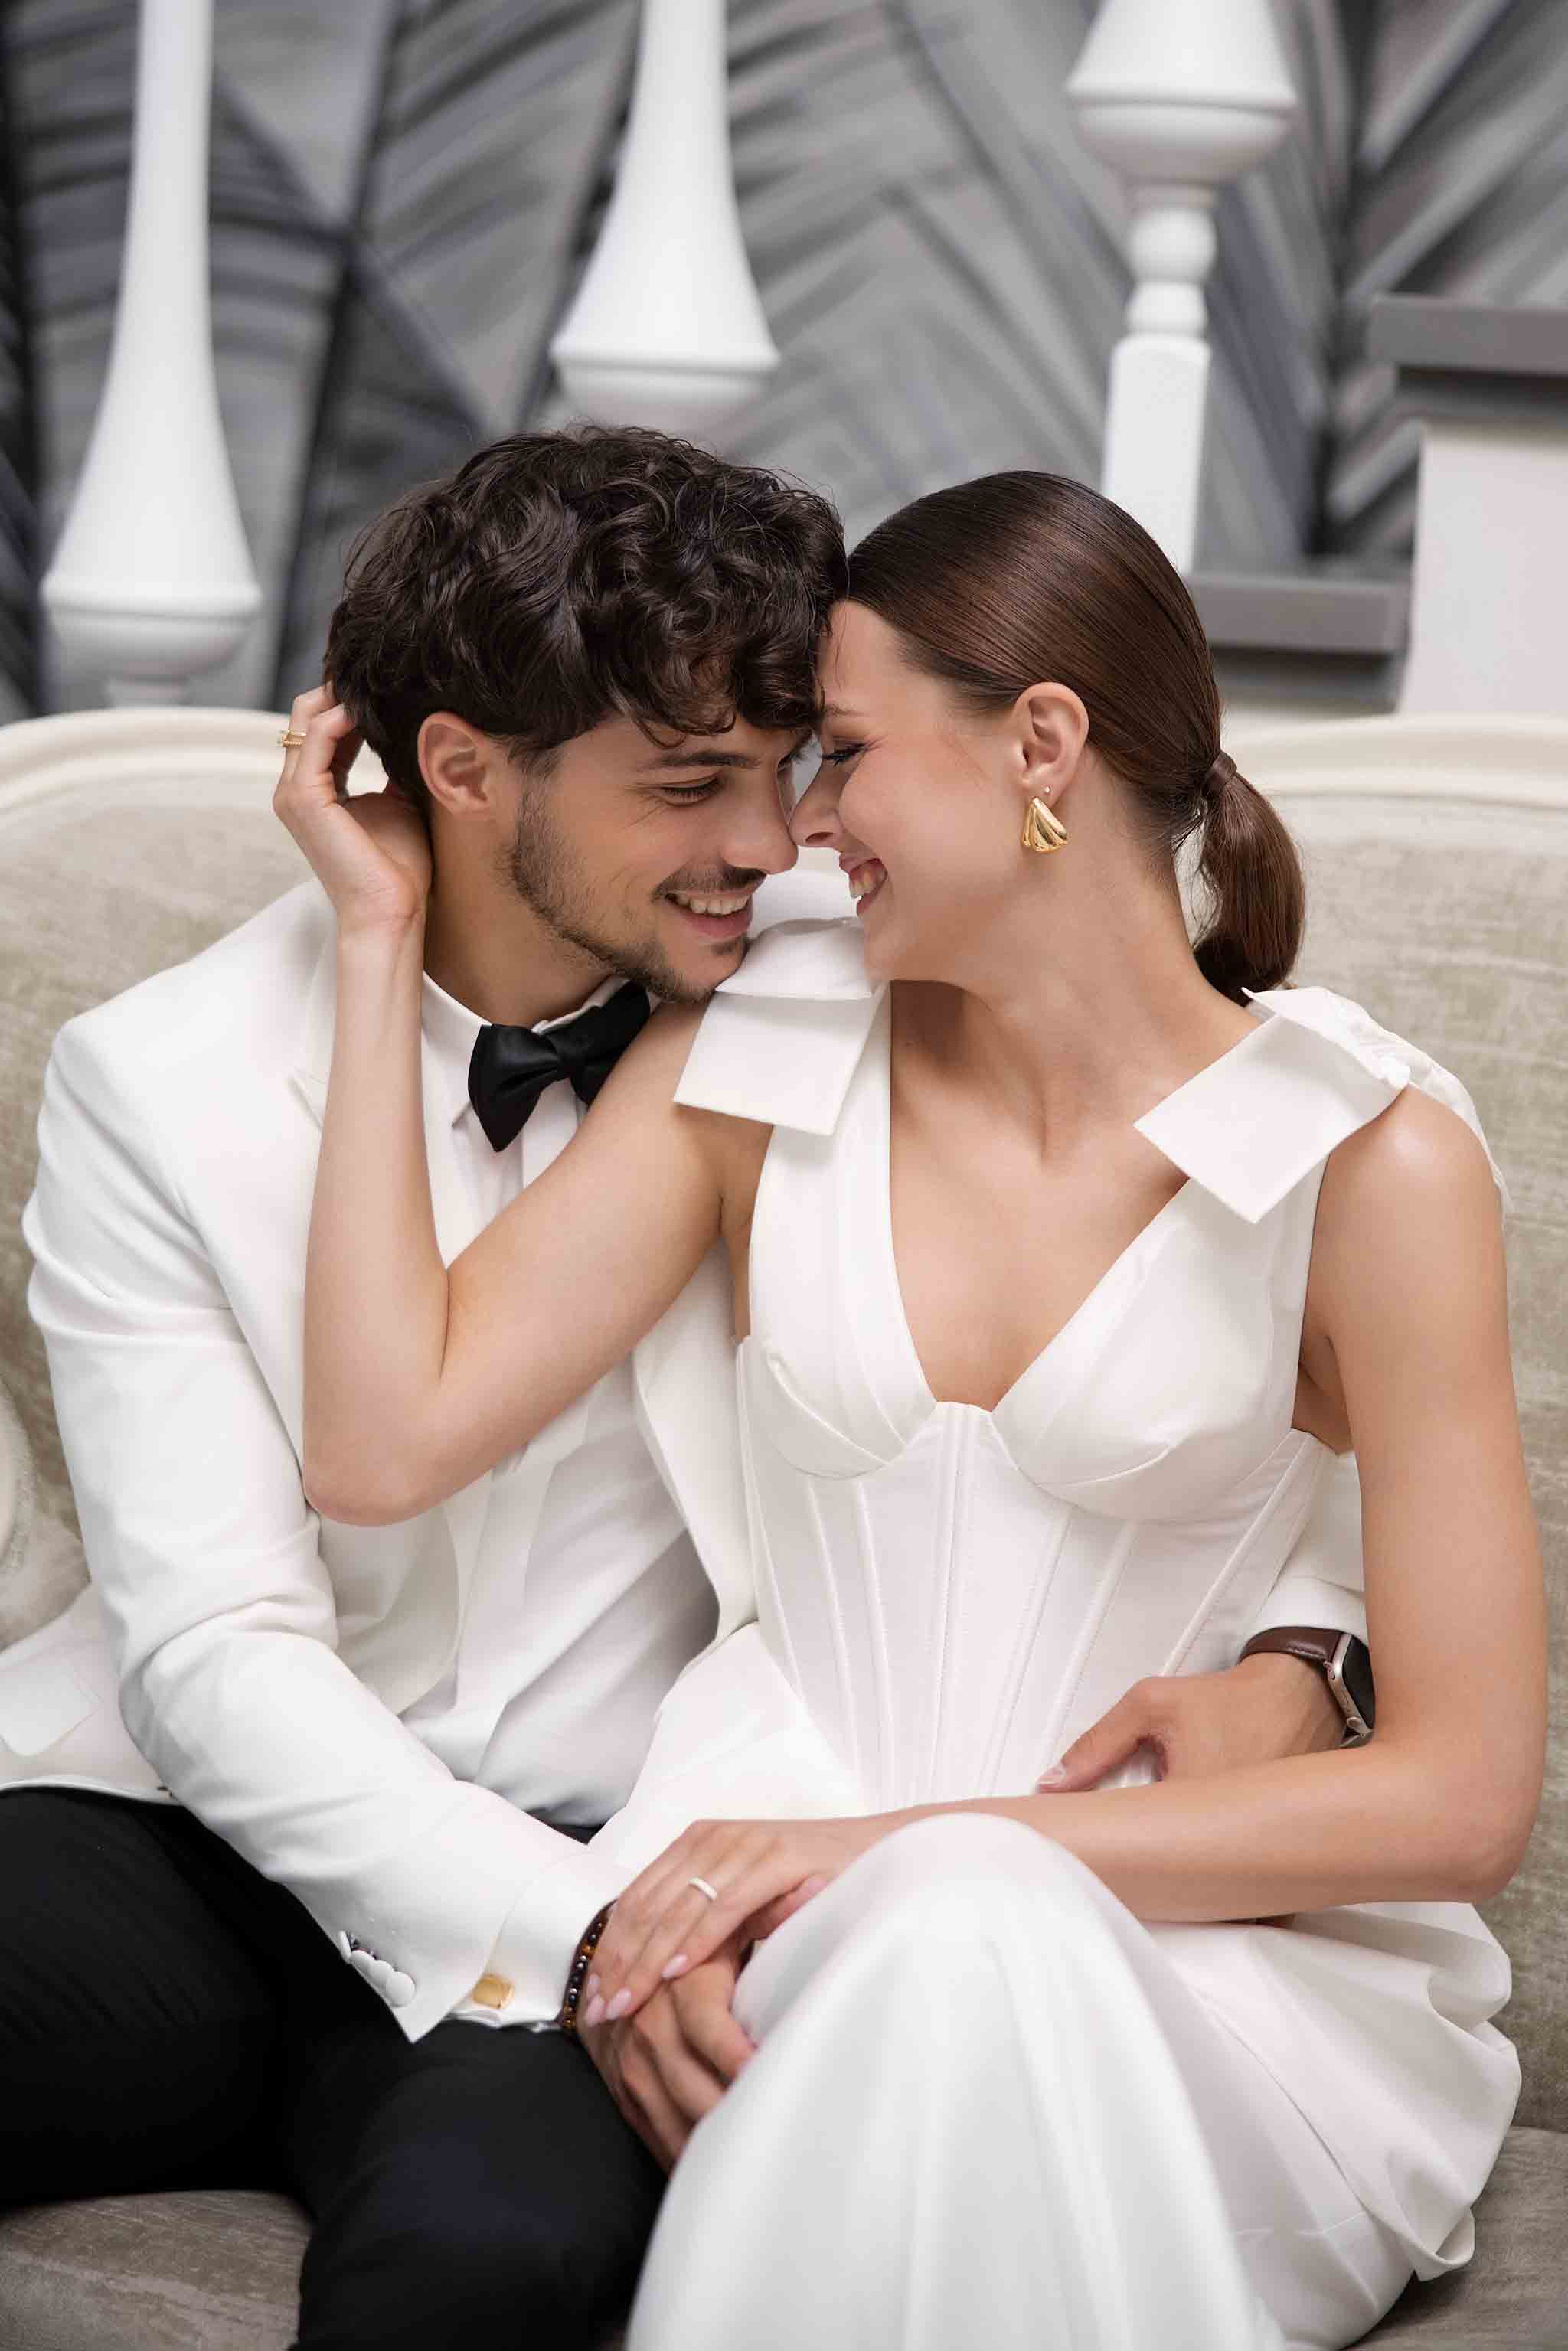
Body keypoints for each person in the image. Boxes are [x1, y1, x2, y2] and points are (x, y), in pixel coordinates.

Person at [0, 433, 1364, 2350]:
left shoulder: (850, 971)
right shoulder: (161, 1081)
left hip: (632, 1828)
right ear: (463, 769)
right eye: (686, 785)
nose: (769, 841)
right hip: (190, 1834)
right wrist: (586, 1947)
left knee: (488, 2263)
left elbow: (1211, 1294)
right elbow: (216, 1650)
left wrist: (1309, 1653)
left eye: (789, 765)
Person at [279, 468, 1545, 2351]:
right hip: (780, 1910)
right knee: (928, 1957)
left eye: (845, 756)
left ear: (1040, 745)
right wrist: (378, 938)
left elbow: (1461, 1799)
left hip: (1207, 1988)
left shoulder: (1367, 1162)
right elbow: (381, 1444)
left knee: (965, 1935)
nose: (800, 825)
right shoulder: (755, 1059)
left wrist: (922, 1848)